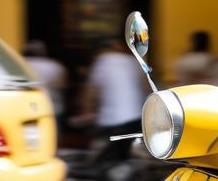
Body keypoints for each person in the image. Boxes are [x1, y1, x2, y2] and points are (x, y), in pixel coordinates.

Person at [83, 37, 148, 168]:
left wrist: (86, 113)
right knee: (123, 154)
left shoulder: (102, 61)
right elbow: (146, 88)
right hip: (136, 119)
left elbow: (90, 93)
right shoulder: (133, 61)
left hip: (111, 122)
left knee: (102, 159)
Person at [23, 40, 67, 117]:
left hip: (25, 106)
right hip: (51, 107)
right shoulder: (54, 65)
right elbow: (61, 86)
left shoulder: (21, 63)